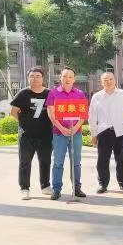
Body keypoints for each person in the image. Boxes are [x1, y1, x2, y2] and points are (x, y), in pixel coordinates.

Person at [90, 71, 123, 194]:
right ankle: (102, 184)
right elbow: (92, 117)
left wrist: (122, 121)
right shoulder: (97, 97)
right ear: (101, 82)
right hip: (103, 132)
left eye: (110, 79)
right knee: (102, 160)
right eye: (105, 80)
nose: (108, 82)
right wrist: (93, 134)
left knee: (122, 159)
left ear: (115, 80)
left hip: (121, 131)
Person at [10, 67, 53, 200]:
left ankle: (45, 186)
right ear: (28, 78)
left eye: (38, 76)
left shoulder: (50, 93)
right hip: (26, 136)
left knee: (45, 161)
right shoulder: (23, 93)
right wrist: (24, 124)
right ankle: (24, 188)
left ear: (43, 78)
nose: (35, 79)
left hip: (45, 135)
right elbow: (13, 112)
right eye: (32, 76)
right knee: (25, 162)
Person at [46, 67, 88, 200]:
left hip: (76, 133)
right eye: (64, 76)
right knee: (58, 162)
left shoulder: (80, 94)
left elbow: (83, 114)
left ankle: (77, 188)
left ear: (74, 79)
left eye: (70, 77)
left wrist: (75, 128)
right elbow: (51, 113)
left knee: (76, 162)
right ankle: (56, 189)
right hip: (59, 134)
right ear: (60, 78)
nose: (67, 79)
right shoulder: (53, 93)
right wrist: (61, 128)